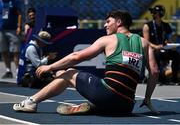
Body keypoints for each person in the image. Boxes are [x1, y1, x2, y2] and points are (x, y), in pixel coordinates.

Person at [13, 10, 159, 115]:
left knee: (68, 73)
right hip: (127, 106)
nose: (105, 25)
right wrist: (147, 98)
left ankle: (31, 102)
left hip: (108, 95)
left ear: (119, 22)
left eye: (108, 22)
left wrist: (49, 66)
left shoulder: (108, 39)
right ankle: (96, 106)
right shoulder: (144, 42)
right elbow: (154, 71)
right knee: (105, 85)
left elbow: (77, 57)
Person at [143, 5, 180, 84]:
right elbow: (146, 41)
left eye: (155, 12)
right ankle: (158, 78)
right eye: (152, 12)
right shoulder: (147, 26)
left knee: (176, 54)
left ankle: (174, 78)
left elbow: (169, 39)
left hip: (164, 49)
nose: (153, 14)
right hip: (153, 49)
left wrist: (170, 44)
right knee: (156, 54)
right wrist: (156, 46)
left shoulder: (166, 26)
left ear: (160, 14)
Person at [0, 0, 22, 78]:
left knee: (16, 51)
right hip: (1, 30)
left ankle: (18, 70)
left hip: (13, 29)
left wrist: (19, 26)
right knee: (4, 50)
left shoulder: (14, 1)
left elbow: (19, 14)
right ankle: (8, 71)